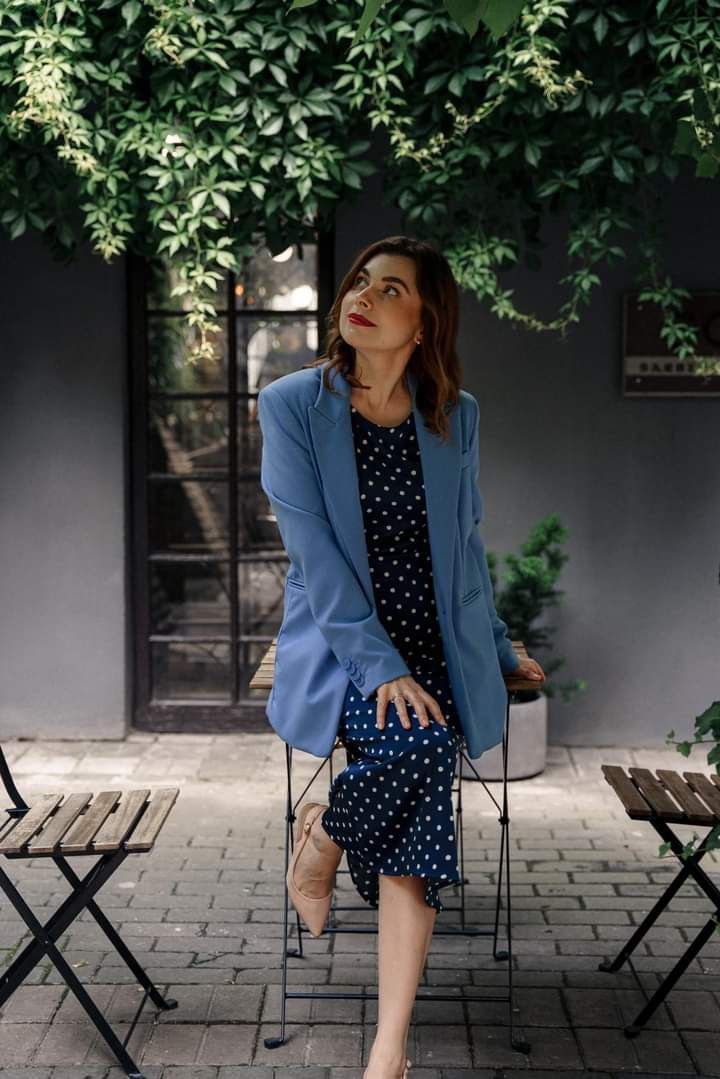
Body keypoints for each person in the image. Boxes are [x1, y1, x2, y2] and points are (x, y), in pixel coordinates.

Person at [257, 235, 545, 1079]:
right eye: (361, 281)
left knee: (418, 817)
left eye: (391, 289)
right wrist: (383, 667)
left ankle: (387, 1049)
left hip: (435, 645)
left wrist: (497, 647)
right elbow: (315, 556)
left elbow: (465, 548)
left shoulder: (455, 414)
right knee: (419, 749)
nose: (364, 296)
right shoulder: (292, 405)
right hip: (347, 649)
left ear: (424, 323)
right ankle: (325, 843)